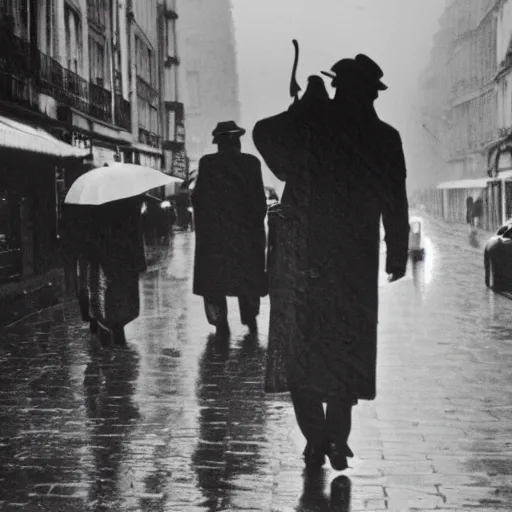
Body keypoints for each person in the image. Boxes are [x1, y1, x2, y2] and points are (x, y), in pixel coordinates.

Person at [253, 54, 409, 471]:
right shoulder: (385, 136)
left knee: (301, 351)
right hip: (355, 264)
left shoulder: (313, 126)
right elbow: (396, 199)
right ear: (371, 94)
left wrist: (304, 106)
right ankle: (335, 439)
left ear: (337, 86)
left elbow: (264, 133)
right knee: (347, 352)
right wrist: (396, 251)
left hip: (306, 258)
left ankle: (316, 438)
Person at [192, 121, 268, 337]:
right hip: (246, 236)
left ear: (218, 143)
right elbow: (259, 201)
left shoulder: (208, 163)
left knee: (214, 282)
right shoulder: (251, 163)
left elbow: (199, 198)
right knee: (248, 279)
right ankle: (250, 320)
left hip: (215, 238)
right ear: (238, 142)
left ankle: (220, 324)